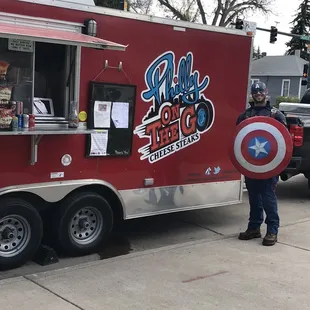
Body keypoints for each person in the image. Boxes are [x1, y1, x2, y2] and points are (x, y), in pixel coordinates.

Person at [236, 81, 287, 246]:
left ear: (266, 92)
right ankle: (254, 227)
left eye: (260, 91)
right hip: (251, 163)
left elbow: (283, 141)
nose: (258, 93)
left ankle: (272, 230)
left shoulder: (275, 114)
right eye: (255, 91)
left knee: (268, 197)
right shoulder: (245, 115)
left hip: (269, 164)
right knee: (253, 197)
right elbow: (239, 140)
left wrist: (279, 164)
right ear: (252, 94)